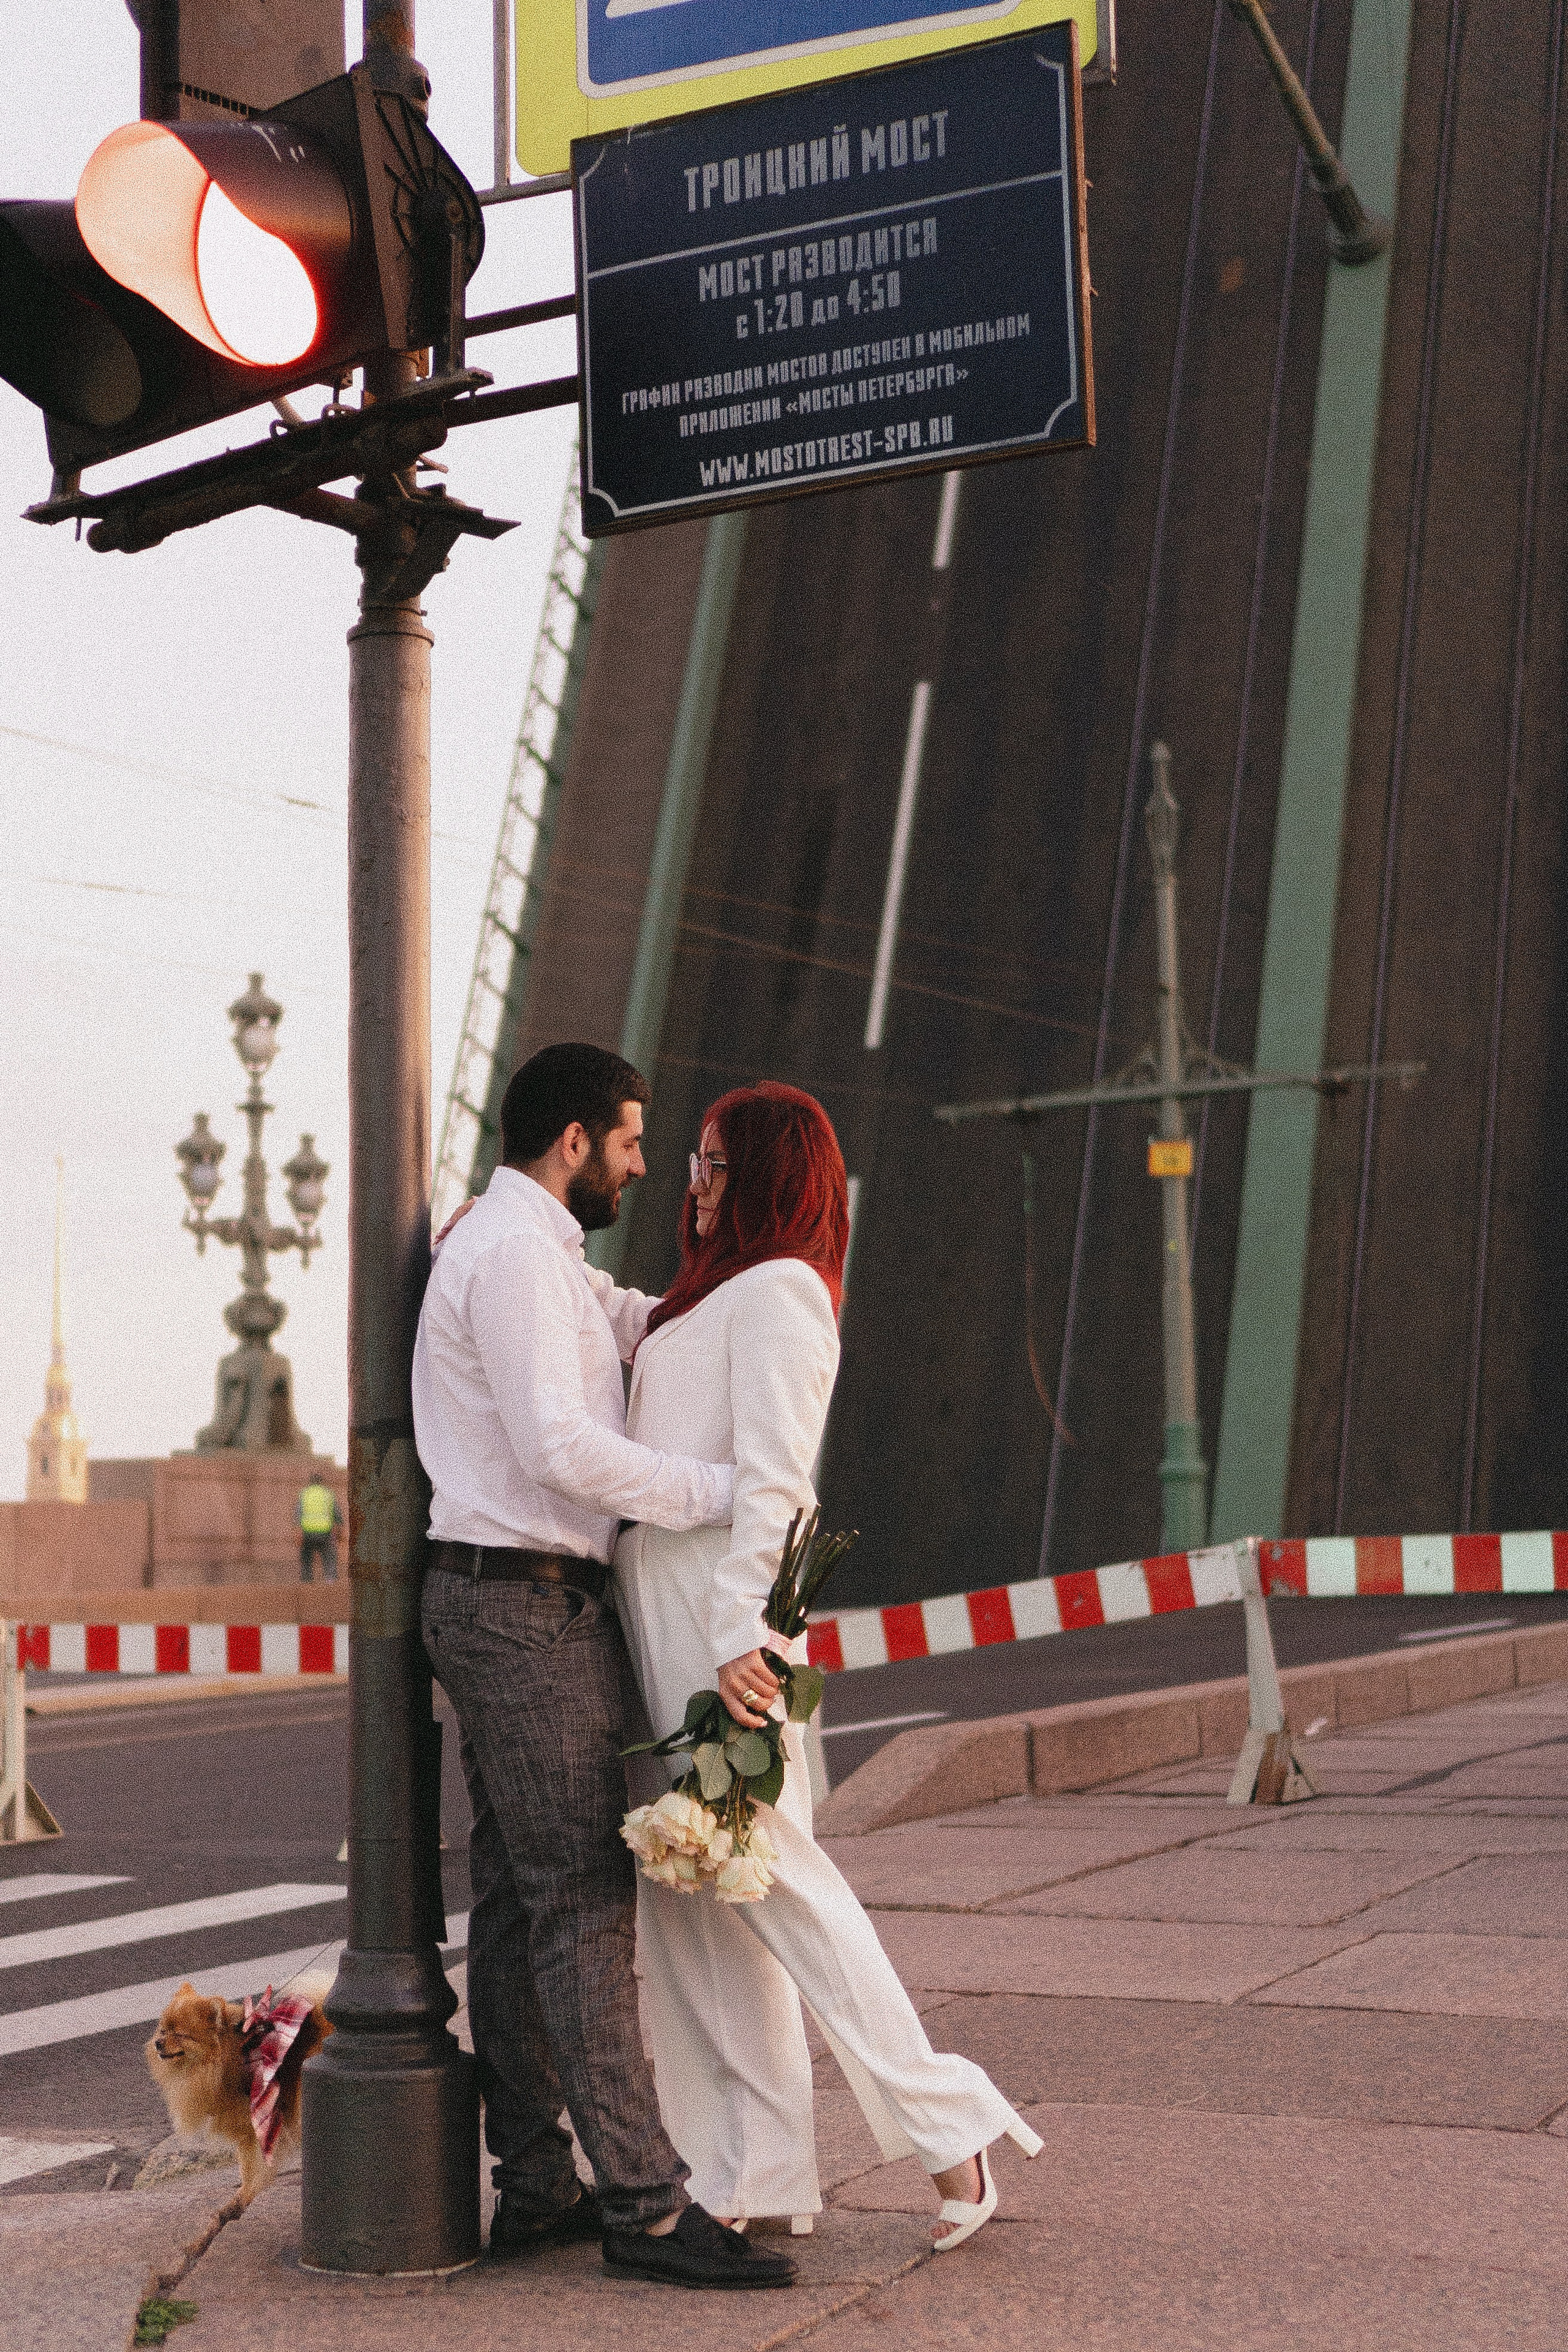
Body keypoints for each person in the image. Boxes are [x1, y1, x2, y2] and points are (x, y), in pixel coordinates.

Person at [614, 1082, 1042, 2247]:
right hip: (665, 1611)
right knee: (700, 1901)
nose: (690, 1183)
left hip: (723, 1625)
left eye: (710, 1163)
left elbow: (779, 1481)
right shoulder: (698, 1302)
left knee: (776, 1876)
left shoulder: (784, 1292)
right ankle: (749, 2172)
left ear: (761, 1171)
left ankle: (950, 2123)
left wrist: (743, 1635)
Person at [413, 1042, 796, 2290]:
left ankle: (535, 2185)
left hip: (508, 1601)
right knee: (584, 1898)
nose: (641, 1162)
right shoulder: (514, 1254)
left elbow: (632, 1328)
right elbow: (557, 1445)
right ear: (572, 1141)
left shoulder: (537, 1255)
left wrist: (719, 1292)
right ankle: (643, 2203)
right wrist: (720, 1491)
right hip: (521, 1606)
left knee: (528, 1904)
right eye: (630, 1141)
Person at [296, 1478, 342, 1583]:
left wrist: (298, 1533)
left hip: (308, 1531)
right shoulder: (328, 1494)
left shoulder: (305, 1493)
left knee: (307, 1558)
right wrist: (340, 1531)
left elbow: (298, 1514)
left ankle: (307, 1582)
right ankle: (331, 1581)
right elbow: (337, 1514)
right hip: (325, 1531)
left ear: (310, 1482)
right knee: (329, 1557)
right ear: (322, 1482)